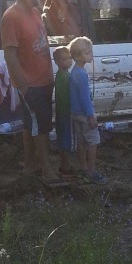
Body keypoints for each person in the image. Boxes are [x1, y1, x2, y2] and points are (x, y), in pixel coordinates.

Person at [1, 0, 60, 183]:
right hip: (30, 84)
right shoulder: (11, 17)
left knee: (30, 125)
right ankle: (46, 170)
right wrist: (23, 86)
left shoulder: (35, 12)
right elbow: (10, 55)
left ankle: (29, 164)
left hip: (44, 81)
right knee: (41, 127)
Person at [68, 36, 105, 184]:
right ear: (77, 56)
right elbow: (84, 98)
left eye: (90, 52)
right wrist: (91, 116)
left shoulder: (74, 71)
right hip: (84, 115)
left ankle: (83, 168)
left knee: (80, 142)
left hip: (75, 114)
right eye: (87, 53)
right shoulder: (82, 75)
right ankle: (91, 171)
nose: (91, 55)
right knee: (93, 142)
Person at [53, 46, 75, 178]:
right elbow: (67, 97)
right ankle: (66, 167)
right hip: (66, 113)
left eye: (69, 58)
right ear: (57, 62)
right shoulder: (65, 77)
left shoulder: (62, 74)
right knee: (66, 139)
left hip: (61, 112)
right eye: (64, 59)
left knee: (62, 138)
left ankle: (63, 165)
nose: (68, 61)